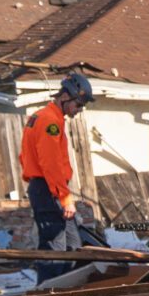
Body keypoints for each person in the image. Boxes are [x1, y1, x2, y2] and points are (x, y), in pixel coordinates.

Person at [19, 73, 94, 250]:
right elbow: (51, 164)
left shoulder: (44, 117)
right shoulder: (49, 122)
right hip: (48, 189)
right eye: (78, 104)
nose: (80, 110)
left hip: (50, 188)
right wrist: (65, 199)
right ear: (65, 97)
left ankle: (69, 270)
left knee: (74, 245)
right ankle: (50, 270)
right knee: (55, 247)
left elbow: (24, 156)